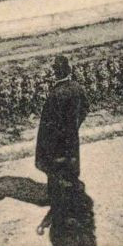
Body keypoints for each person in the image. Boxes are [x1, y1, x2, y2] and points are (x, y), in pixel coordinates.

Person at [35, 55, 89, 201]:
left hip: (57, 139)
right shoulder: (77, 88)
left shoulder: (55, 94)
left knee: (55, 167)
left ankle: (57, 198)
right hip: (72, 136)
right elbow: (85, 108)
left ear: (56, 74)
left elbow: (47, 122)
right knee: (71, 162)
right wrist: (75, 125)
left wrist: (46, 141)